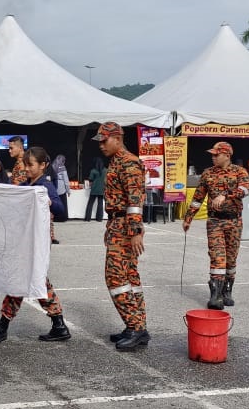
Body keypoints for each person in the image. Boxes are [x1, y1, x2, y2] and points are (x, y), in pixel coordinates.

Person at [0, 146, 71, 344]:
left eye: (31, 165)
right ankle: (59, 325)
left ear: (43, 165)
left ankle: (3, 326)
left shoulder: (44, 186)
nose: (27, 168)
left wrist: (48, 202)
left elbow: (61, 211)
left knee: (22, 279)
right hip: (23, 241)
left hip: (37, 242)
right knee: (33, 280)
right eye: (25, 164)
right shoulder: (25, 185)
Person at [93, 122, 149, 350]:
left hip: (126, 226)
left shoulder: (129, 162)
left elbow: (135, 200)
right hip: (117, 224)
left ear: (117, 138)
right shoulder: (116, 161)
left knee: (116, 278)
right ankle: (137, 327)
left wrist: (135, 231)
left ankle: (135, 328)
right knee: (130, 277)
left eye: (104, 141)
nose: (101, 146)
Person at [183, 141, 249, 310]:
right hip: (214, 221)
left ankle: (227, 290)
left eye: (216, 154)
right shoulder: (207, 174)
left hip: (234, 221)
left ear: (227, 155)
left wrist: (226, 195)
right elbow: (198, 198)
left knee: (231, 259)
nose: (213, 157)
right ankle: (216, 296)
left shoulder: (239, 172)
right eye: (212, 154)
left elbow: (245, 189)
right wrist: (188, 218)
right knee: (217, 256)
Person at [85, 157, 107, 222]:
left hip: (94, 189)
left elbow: (90, 180)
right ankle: (99, 219)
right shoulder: (106, 170)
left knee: (90, 203)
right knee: (100, 204)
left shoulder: (93, 171)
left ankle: (88, 218)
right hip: (102, 189)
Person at [51, 154, 71, 221]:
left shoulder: (53, 166)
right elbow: (66, 179)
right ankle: (62, 218)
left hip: (54, 187)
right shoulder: (62, 167)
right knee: (63, 203)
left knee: (56, 204)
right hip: (62, 188)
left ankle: (56, 218)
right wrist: (68, 190)